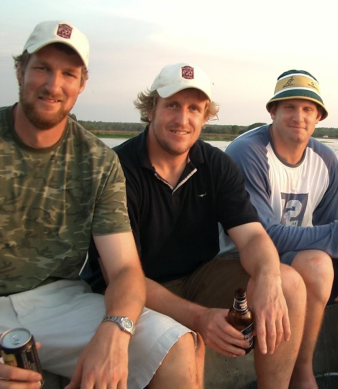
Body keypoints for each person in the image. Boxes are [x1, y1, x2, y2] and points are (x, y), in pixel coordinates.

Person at [0, 21, 200, 389]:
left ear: (82, 84)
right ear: (20, 71)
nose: (54, 85)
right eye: (42, 68)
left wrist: (116, 329)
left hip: (59, 301)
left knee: (174, 345)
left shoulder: (97, 160)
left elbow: (126, 269)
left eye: (68, 73)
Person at [85, 62, 307, 388]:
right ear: (151, 109)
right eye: (172, 105)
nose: (182, 119)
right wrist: (199, 318)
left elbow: (253, 237)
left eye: (194, 109)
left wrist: (269, 277)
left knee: (289, 284)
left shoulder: (216, 164)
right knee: (188, 342)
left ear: (205, 117)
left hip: (197, 277)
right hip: (130, 289)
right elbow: (119, 276)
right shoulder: (118, 169)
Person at [219, 69, 338, 388]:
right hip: (242, 263)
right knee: (317, 264)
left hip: (291, 258)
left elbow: (336, 218)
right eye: (289, 107)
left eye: (308, 109)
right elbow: (264, 235)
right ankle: (302, 370)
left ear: (319, 116)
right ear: (273, 111)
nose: (299, 116)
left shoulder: (324, 159)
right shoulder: (249, 153)